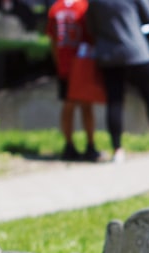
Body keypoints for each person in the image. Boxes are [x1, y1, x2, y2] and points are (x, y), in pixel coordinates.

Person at [83, 0, 149, 162]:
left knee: (114, 102)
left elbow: (91, 27)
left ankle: (117, 149)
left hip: (109, 54)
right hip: (136, 50)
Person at [47, 0, 100, 162]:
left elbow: (53, 41)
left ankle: (69, 145)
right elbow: (93, 35)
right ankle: (90, 146)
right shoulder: (84, 7)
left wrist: (58, 63)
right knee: (86, 105)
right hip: (83, 62)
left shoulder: (55, 9)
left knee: (69, 105)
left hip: (65, 63)